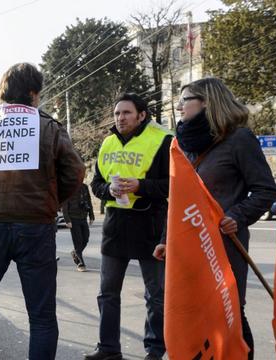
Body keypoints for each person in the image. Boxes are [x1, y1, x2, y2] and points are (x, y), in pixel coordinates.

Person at [0, 63, 85, 360]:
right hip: (37, 225)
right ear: (32, 93)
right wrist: (50, 201)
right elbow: (75, 173)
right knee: (41, 314)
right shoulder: (48, 126)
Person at [153, 77, 276, 360]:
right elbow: (181, 199)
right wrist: (165, 240)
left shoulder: (239, 139)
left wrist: (237, 215)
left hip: (224, 244)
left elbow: (265, 189)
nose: (180, 106)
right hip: (188, 246)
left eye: (185, 100)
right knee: (197, 315)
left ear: (206, 102)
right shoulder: (185, 144)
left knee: (230, 312)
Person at [87, 93, 172, 360]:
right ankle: (108, 348)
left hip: (151, 224)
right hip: (115, 226)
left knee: (156, 295)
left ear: (141, 115)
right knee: (107, 293)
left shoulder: (163, 141)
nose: (120, 118)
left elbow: (174, 186)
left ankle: (155, 350)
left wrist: (140, 186)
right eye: (117, 114)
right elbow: (96, 184)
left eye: (126, 113)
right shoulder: (108, 143)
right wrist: (109, 190)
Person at [62, 182, 95, 271]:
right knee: (78, 241)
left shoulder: (84, 187)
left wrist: (91, 215)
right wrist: (67, 219)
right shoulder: (68, 187)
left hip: (83, 217)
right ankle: (80, 263)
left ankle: (75, 252)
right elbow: (64, 204)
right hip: (73, 218)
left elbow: (88, 200)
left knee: (86, 238)